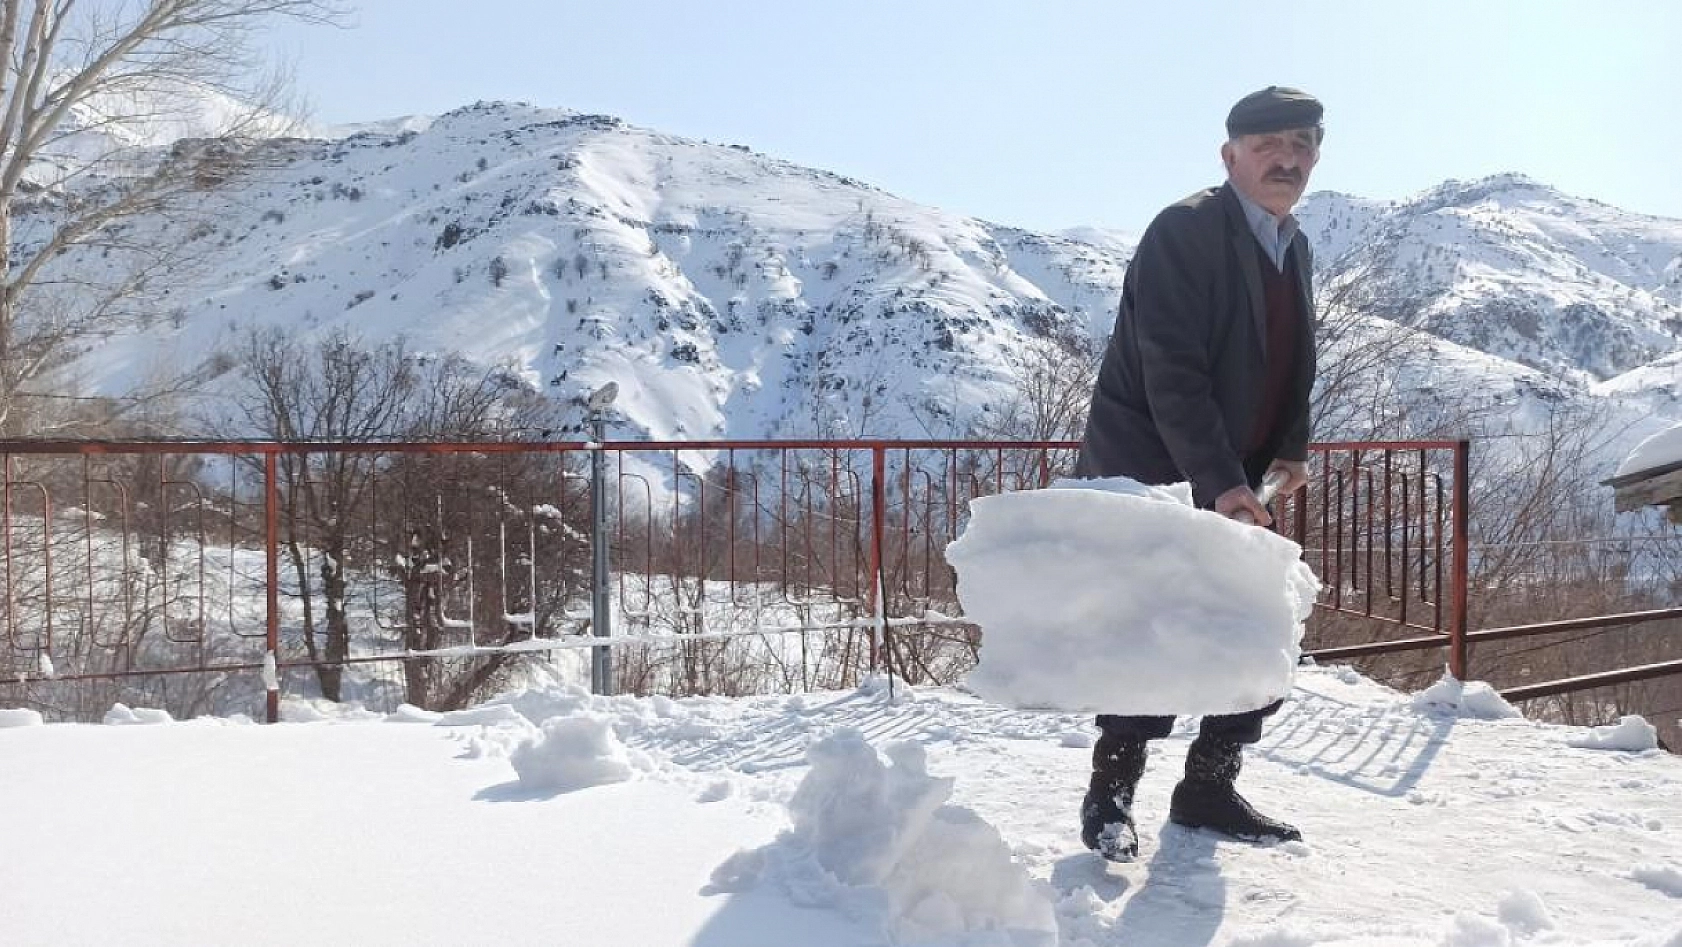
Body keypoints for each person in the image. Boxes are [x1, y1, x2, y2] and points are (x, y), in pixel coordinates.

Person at [1071, 86, 1323, 861]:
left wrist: (1289, 447)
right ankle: (1109, 795)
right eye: (1268, 144)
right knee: (1153, 631)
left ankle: (1208, 785)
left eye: (1303, 143)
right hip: (1155, 472)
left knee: (1253, 625)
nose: (1288, 159)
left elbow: (1292, 364)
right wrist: (1218, 481)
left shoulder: (1293, 242)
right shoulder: (1185, 231)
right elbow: (1170, 372)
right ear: (1231, 156)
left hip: (1240, 473)